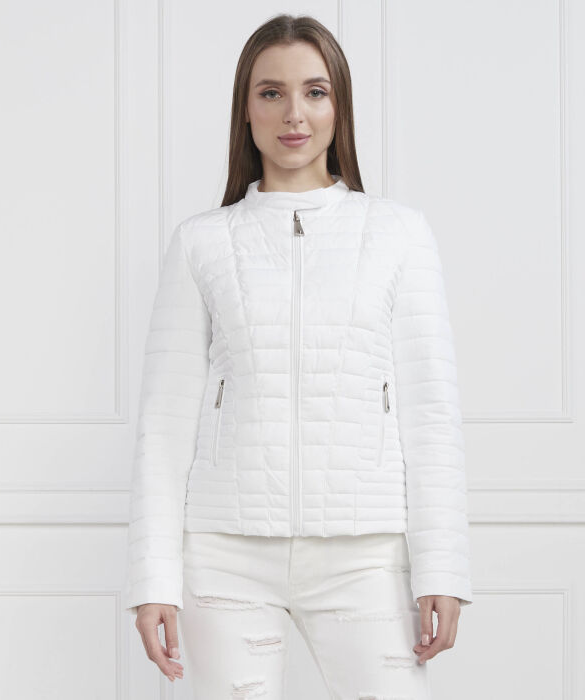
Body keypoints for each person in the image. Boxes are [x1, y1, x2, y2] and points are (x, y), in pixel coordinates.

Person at [123, 13, 473, 699]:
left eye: (315, 92)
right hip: (225, 555)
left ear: (339, 107)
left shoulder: (398, 235)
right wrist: (152, 579)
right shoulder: (201, 243)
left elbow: (431, 413)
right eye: (271, 93)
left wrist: (443, 568)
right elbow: (164, 424)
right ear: (245, 110)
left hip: (366, 556)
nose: (294, 114)